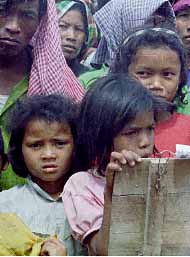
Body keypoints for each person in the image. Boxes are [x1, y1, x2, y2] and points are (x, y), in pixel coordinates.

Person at [62, 74, 170, 255]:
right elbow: (102, 250)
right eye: (131, 132)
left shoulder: (162, 172)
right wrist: (112, 193)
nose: (145, 141)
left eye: (150, 129)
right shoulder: (82, 185)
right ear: (102, 136)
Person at [0, 0, 84, 190]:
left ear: (41, 21)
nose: (13, 26)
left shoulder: (56, 79)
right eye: (2, 11)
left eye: (27, 15)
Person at [0, 95, 85, 255]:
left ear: (76, 145)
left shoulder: (90, 200)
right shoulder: (5, 205)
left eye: (59, 143)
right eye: (36, 145)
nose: (48, 154)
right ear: (19, 150)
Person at [111, 27, 190, 152]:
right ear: (124, 74)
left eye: (167, 74)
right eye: (144, 73)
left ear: (180, 79)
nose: (156, 84)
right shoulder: (111, 128)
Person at [56, 0, 97, 76]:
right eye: (63, 26)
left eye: (79, 29)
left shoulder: (88, 78)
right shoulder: (31, 68)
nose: (71, 36)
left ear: (86, 37)